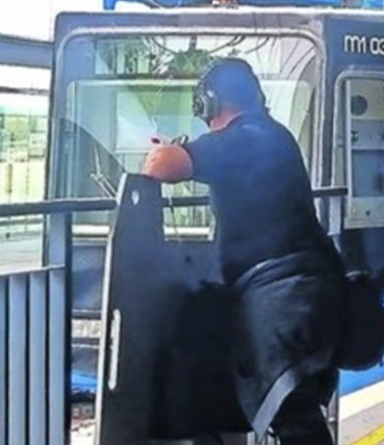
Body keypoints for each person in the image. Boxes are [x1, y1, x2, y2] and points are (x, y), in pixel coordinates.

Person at [141, 57, 345, 444]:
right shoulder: (268, 133)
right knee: (283, 408)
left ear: (210, 103)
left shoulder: (247, 138)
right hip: (295, 292)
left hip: (285, 297)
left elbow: (160, 166)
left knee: (292, 412)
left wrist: (172, 149)